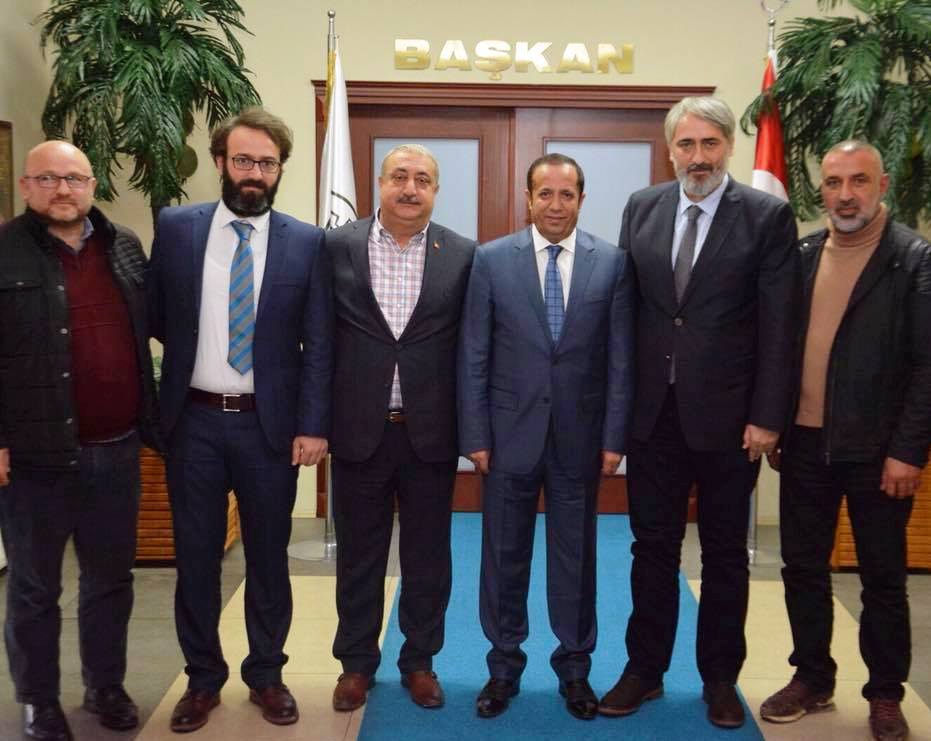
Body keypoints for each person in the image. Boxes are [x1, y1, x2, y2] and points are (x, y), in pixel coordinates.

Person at [599, 97, 801, 729]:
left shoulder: (766, 215)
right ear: (670, 151)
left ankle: (719, 679)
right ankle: (644, 671)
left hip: (732, 421)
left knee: (724, 555)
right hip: (654, 417)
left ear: (729, 147)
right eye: (686, 145)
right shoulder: (643, 207)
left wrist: (768, 417)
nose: (698, 157)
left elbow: (780, 326)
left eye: (710, 143)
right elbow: (629, 311)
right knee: (651, 550)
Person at [146, 108, 332, 732]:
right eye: (244, 160)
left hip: (267, 428)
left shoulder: (306, 242)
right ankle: (202, 680)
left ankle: (267, 675)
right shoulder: (177, 228)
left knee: (269, 559)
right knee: (196, 559)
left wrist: (313, 424)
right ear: (221, 162)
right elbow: (154, 316)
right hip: (194, 423)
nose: (255, 173)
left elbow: (318, 341)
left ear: (281, 170)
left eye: (267, 163)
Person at [759, 141, 930, 741]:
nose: (846, 195)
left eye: (858, 181)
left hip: (877, 452)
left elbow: (927, 366)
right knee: (802, 569)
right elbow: (779, 347)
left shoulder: (912, 259)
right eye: (834, 183)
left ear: (882, 185)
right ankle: (812, 678)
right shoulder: (804, 255)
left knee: (882, 580)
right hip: (805, 445)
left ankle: (885, 694)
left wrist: (908, 450)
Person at [458, 153, 635, 721]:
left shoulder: (612, 263)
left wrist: (614, 438)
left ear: (581, 200)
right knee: (502, 557)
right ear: (528, 198)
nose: (555, 205)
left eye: (567, 194)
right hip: (507, 438)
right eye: (545, 194)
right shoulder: (491, 260)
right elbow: (474, 353)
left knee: (575, 560)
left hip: (580, 439)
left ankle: (575, 670)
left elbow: (621, 360)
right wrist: (475, 434)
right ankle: (503, 668)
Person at [0, 141, 162, 741]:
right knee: (35, 588)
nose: (63, 190)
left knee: (111, 582)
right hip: (34, 459)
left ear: (93, 185)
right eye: (48, 178)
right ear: (26, 186)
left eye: (74, 178)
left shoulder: (124, 246)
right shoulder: (4, 251)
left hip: (117, 449)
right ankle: (39, 700)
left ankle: (105, 686)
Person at [325, 144, 475, 712]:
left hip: (429, 433)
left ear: (436, 191)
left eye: (423, 180)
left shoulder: (462, 254)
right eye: (400, 177)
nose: (411, 189)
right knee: (358, 556)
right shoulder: (336, 246)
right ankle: (356, 664)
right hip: (358, 430)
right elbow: (318, 337)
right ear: (380, 182)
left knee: (428, 558)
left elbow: (472, 349)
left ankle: (419, 662)